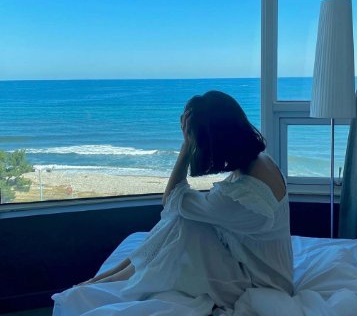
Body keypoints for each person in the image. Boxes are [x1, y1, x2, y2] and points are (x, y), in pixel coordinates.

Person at [52, 91, 293, 316]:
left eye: (198, 141)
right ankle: (113, 275)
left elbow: (170, 200)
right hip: (258, 266)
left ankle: (112, 278)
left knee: (183, 219)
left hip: (258, 282)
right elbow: (179, 204)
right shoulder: (260, 161)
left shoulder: (242, 198)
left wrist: (185, 148)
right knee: (182, 218)